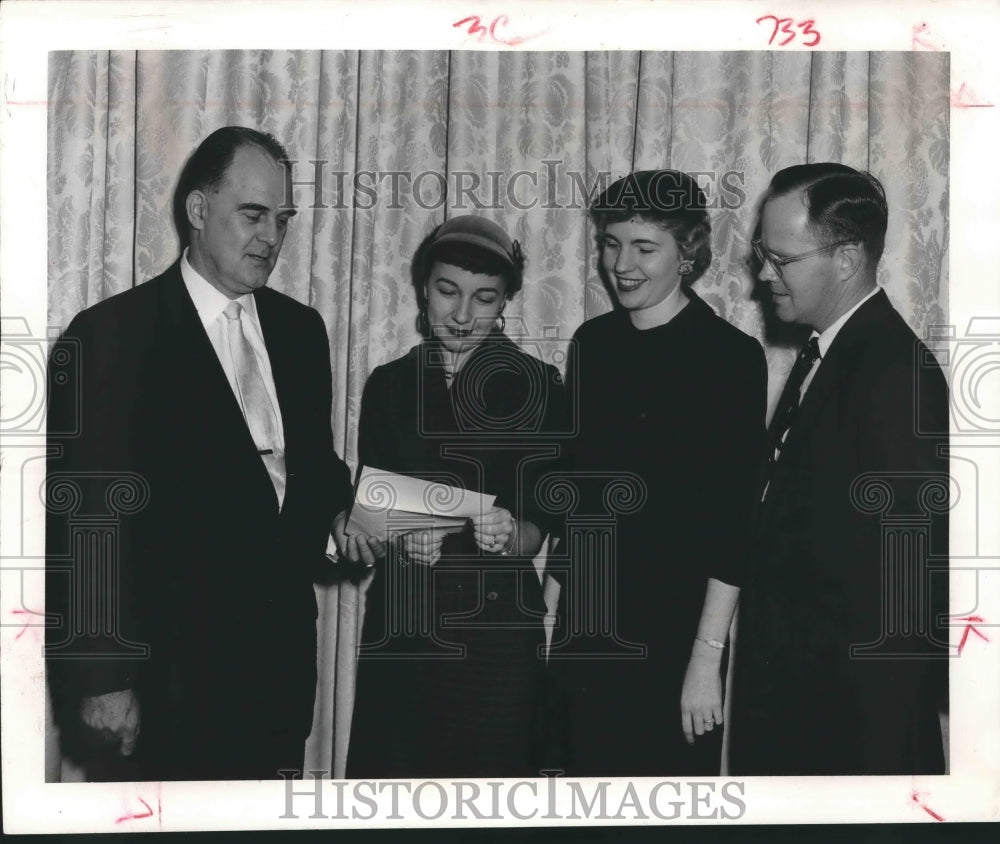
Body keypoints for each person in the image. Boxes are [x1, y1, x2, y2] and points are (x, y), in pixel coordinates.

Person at [45, 126, 371, 781]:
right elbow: (87, 525)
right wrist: (103, 678)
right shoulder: (111, 335)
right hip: (164, 690)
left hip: (274, 684)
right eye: (252, 215)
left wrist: (340, 521)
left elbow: (309, 475)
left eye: (282, 219)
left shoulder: (300, 331)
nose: (272, 237)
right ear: (198, 210)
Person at [730, 163, 950, 775]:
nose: (763, 275)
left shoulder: (895, 376)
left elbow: (904, 595)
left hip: (849, 729)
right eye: (761, 254)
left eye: (782, 259)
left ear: (848, 258)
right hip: (803, 711)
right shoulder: (830, 352)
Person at [551, 170, 767, 776]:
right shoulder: (591, 344)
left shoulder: (729, 357)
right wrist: (550, 614)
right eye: (612, 243)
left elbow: (733, 523)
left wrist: (705, 660)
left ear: (689, 252)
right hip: (586, 625)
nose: (622, 263)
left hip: (676, 635)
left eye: (645, 248)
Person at [345, 215, 567, 778]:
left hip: (495, 646)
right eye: (448, 291)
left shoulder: (541, 387)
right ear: (424, 287)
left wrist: (513, 535)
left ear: (505, 302)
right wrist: (398, 535)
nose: (463, 315)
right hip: (405, 633)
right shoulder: (390, 385)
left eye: (484, 298)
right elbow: (370, 510)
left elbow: (540, 522)